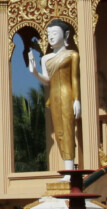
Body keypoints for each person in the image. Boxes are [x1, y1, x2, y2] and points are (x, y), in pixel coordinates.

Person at [27, 19, 80, 169]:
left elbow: (74, 78)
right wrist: (35, 72)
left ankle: (70, 170)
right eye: (49, 34)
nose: (51, 37)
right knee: (59, 132)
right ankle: (67, 167)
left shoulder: (72, 55)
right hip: (54, 97)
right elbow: (47, 81)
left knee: (68, 129)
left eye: (55, 33)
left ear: (66, 34)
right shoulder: (45, 58)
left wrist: (77, 99)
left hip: (67, 94)